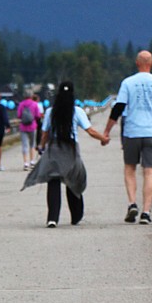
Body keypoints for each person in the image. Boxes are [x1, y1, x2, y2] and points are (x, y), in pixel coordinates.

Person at [101, 50, 152, 225]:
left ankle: (132, 203)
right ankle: (146, 212)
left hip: (133, 131)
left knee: (129, 169)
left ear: (136, 63)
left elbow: (118, 108)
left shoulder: (128, 83)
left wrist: (107, 131)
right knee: (149, 172)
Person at [22, 80, 104, 227]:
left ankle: (52, 218)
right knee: (73, 181)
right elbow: (90, 130)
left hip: (54, 148)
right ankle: (76, 216)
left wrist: (41, 147)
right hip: (71, 149)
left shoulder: (50, 112)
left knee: (53, 181)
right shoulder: (77, 111)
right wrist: (103, 138)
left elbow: (45, 133)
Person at [16, 93, 43, 169]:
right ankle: (32, 161)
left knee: (24, 145)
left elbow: (18, 115)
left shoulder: (21, 104)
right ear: (31, 97)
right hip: (32, 126)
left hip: (23, 127)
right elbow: (38, 115)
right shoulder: (34, 104)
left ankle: (25, 163)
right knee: (32, 144)